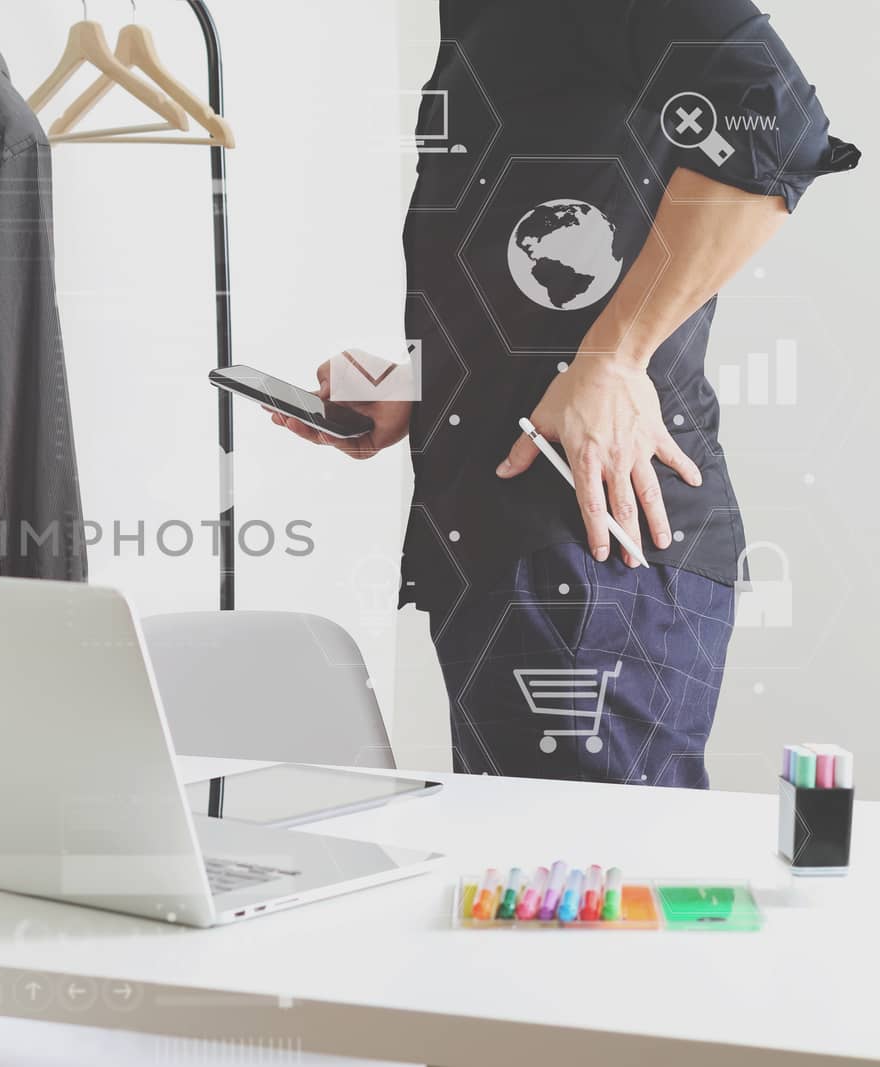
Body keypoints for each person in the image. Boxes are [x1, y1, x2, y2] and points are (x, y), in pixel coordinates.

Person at [275, 0, 859, 786]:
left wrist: (618, 356)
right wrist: (427, 388)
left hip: (592, 551)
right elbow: (549, 260)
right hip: (511, 545)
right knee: (529, 889)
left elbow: (778, 121)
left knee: (597, 894)